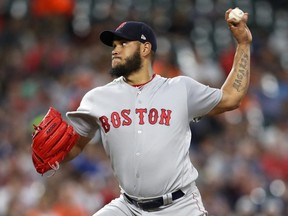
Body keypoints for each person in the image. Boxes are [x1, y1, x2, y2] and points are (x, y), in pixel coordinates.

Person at [65, 8, 252, 216]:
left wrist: (243, 44)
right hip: (128, 206)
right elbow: (72, 148)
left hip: (179, 206)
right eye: (114, 45)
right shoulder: (97, 98)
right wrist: (52, 156)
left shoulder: (179, 89)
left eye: (124, 44)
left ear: (145, 49)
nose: (115, 50)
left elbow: (231, 98)